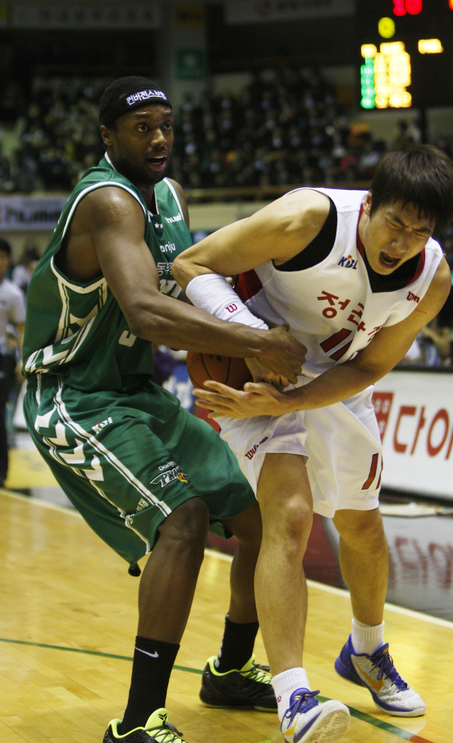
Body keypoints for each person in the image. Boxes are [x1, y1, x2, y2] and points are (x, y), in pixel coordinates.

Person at [21, 77, 311, 743]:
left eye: (165, 125)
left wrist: (254, 315)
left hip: (136, 393)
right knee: (180, 521)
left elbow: (196, 278)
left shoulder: (171, 196)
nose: (157, 138)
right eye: (140, 127)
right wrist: (253, 341)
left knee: (259, 519)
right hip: (72, 395)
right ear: (106, 136)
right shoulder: (107, 202)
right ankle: (135, 722)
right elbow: (148, 312)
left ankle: (228, 671)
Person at [172, 145, 453, 723]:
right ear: (370, 205)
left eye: (418, 232)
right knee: (293, 514)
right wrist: (254, 339)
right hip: (251, 363)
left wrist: (295, 397)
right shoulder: (308, 218)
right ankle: (294, 695)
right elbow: (191, 265)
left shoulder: (431, 279)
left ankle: (367, 649)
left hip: (333, 381)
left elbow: (369, 367)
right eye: (394, 223)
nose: (401, 242)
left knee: (361, 526)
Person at [0, 237, 25, 486]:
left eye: (2, 257)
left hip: (3, 359)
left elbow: (22, 329)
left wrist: (22, 360)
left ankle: (2, 472)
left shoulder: (13, 294)